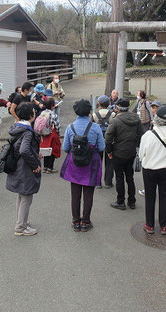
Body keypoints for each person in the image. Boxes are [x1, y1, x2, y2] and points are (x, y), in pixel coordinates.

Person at [60, 99, 105, 232]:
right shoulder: (95, 127)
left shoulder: (70, 127)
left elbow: (66, 148)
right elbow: (102, 147)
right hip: (91, 163)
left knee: (75, 194)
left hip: (75, 164)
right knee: (88, 194)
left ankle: (76, 221)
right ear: (90, 111)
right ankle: (85, 222)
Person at [139, 105, 166, 235]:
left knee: (150, 197)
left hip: (150, 168)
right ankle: (164, 225)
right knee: (165, 196)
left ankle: (150, 224)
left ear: (156, 119)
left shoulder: (148, 135)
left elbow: (142, 154)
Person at [6, 103, 42, 236]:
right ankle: (21, 227)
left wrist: (35, 152)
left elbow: (22, 147)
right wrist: (35, 165)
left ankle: (21, 222)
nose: (35, 113)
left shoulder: (16, 127)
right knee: (26, 196)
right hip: (25, 168)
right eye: (33, 111)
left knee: (21, 196)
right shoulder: (27, 132)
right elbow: (24, 150)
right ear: (31, 116)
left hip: (17, 166)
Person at [106, 98, 143, 210]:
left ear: (118, 108)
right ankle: (132, 201)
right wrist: (136, 146)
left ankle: (120, 201)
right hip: (131, 152)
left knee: (119, 177)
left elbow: (108, 138)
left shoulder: (115, 120)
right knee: (130, 177)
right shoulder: (136, 118)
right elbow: (141, 134)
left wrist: (109, 151)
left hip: (118, 152)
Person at [92, 95, 116, 189]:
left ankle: (98, 182)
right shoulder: (113, 115)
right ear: (109, 104)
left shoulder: (95, 115)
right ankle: (108, 182)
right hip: (109, 141)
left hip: (98, 142)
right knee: (109, 162)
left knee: (98, 161)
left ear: (99, 104)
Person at [40, 98, 61, 174]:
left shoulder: (42, 113)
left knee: (45, 149)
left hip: (44, 134)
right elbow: (57, 125)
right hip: (51, 133)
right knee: (52, 151)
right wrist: (58, 133)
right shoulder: (53, 114)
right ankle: (50, 168)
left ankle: (45, 167)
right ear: (53, 106)